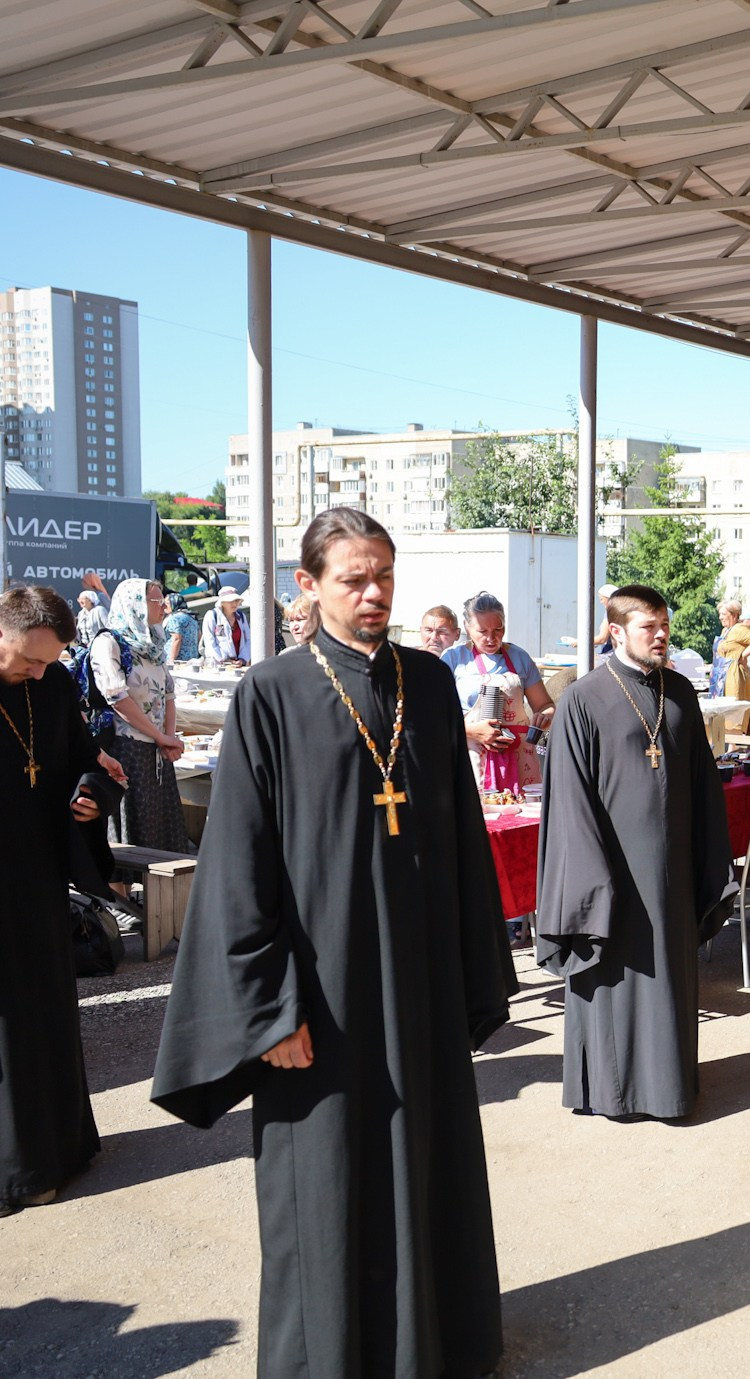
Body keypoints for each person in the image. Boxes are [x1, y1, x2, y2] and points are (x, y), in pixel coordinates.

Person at [152, 509, 514, 1375]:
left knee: (427, 1163)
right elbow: (238, 861)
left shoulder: (427, 683)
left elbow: (461, 834)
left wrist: (472, 970)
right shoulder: (270, 693)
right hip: (322, 993)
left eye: (384, 573)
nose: (375, 592)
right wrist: (268, 1009)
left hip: (418, 979)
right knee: (329, 1181)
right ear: (307, 586)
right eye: (354, 577)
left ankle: (438, 1343)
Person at [535, 585, 735, 1119]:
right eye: (650, 627)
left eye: (665, 624)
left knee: (668, 978)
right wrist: (591, 876)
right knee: (615, 979)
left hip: (670, 870)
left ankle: (667, 1087)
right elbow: (569, 797)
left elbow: (702, 781)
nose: (662, 635)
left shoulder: (680, 691)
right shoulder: (583, 697)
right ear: (618, 632)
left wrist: (708, 858)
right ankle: (611, 1091)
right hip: (609, 869)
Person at [0, 587, 107, 1216]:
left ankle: (61, 1150)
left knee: (45, 1017)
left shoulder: (56, 684)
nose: (37, 674)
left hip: (38, 883)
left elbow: (81, 759)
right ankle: (15, 1168)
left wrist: (90, 793)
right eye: (27, 661)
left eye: (47, 663)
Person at [91, 579, 190, 852]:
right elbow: (117, 698)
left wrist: (167, 738)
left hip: (156, 752)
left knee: (160, 835)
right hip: (127, 750)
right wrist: (160, 736)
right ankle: (119, 895)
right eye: (156, 601)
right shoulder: (108, 643)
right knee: (127, 835)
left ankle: (154, 896)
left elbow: (168, 695)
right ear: (134, 605)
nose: (164, 607)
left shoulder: (154, 644)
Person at [445, 591, 555, 793]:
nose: (491, 638)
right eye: (482, 631)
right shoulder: (454, 659)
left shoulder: (520, 657)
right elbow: (433, 718)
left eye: (498, 629)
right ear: (468, 629)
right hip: (470, 754)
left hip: (518, 757)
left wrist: (545, 717)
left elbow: (545, 705)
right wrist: (472, 731)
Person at [714, 599, 750, 702]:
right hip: (722, 676)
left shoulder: (739, 629)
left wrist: (743, 655)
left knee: (733, 710)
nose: (720, 617)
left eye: (723, 614)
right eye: (720, 614)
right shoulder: (725, 631)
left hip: (734, 675)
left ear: (734, 616)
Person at [200, 585, 252, 666]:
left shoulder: (241, 616)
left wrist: (242, 659)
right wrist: (223, 660)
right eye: (230, 601)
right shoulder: (212, 615)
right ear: (222, 602)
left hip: (238, 665)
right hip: (217, 665)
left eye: (236, 601)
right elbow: (209, 642)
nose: (234, 604)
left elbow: (248, 640)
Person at [163, 592, 202, 663]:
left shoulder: (174, 618)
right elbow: (199, 637)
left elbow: (177, 639)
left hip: (178, 660)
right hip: (192, 659)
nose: (164, 606)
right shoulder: (192, 617)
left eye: (167, 603)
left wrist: (171, 660)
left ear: (174, 603)